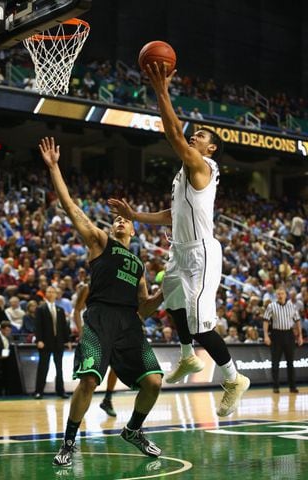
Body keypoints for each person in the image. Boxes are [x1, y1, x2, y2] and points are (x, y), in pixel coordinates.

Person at [108, 61, 250, 417]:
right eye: (196, 134)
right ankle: (187, 357)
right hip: (180, 251)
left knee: (203, 327)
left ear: (212, 149)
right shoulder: (183, 174)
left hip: (202, 254)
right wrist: (135, 214)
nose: (195, 136)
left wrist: (162, 90)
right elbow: (171, 216)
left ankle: (234, 378)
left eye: (202, 135)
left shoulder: (202, 166)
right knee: (171, 298)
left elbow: (172, 133)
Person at [39, 137, 164, 467]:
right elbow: (71, 207)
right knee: (90, 380)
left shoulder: (138, 264)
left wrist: (164, 293)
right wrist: (54, 168)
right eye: (118, 218)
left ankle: (133, 430)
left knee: (154, 382)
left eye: (126, 220)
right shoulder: (100, 241)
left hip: (129, 324)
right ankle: (69, 441)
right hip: (99, 317)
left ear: (134, 231)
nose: (120, 220)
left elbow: (144, 308)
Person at [73, 282, 117, 417]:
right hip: (93, 334)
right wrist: (81, 332)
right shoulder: (88, 287)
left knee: (116, 367)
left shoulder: (115, 288)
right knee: (89, 379)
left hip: (112, 332)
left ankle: (108, 399)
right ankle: (81, 405)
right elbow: (77, 310)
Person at [263, 287, 303, 393]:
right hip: (276, 335)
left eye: (282, 293)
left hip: (289, 334)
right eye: (278, 294)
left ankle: (292, 386)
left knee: (291, 362)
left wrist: (300, 336)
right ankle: (276, 386)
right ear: (276, 295)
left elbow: (298, 321)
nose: (280, 295)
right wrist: (266, 335)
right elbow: (266, 321)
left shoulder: (292, 306)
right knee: (275, 362)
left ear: (286, 295)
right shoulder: (271, 306)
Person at [34, 285, 71, 399]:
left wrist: (68, 340)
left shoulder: (60, 310)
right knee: (43, 367)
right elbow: (38, 326)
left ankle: (61, 391)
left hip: (58, 343)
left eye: (53, 292)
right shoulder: (40, 309)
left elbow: (64, 327)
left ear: (56, 294)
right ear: (46, 294)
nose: (51, 293)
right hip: (45, 342)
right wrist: (39, 340)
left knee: (59, 368)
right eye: (48, 291)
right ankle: (39, 391)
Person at [0, 321, 12, 395]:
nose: (8, 332)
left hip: (6, 360)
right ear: (1, 330)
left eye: (9, 330)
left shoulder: (9, 337)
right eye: (6, 330)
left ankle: (6, 391)